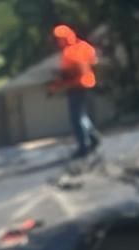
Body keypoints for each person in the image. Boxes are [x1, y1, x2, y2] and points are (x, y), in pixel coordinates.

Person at [48, 24, 101, 158]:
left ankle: (84, 146)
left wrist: (57, 85)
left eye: (59, 39)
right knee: (81, 115)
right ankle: (93, 137)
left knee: (76, 118)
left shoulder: (70, 52)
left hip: (77, 86)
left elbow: (72, 74)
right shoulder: (82, 46)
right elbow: (93, 60)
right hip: (84, 84)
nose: (58, 42)